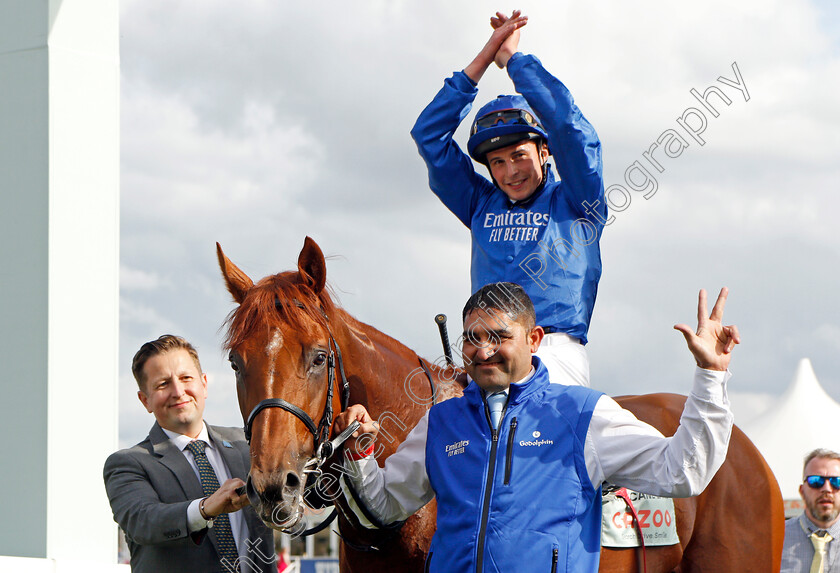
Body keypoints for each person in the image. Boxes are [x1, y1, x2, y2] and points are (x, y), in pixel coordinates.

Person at [334, 282, 738, 573]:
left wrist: (710, 375)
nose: (483, 350)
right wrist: (359, 454)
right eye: (472, 338)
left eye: (499, 336)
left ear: (534, 339)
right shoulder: (440, 421)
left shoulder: (582, 413)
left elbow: (682, 470)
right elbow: (382, 508)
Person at [411, 12, 606, 387]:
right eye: (497, 163)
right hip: (485, 352)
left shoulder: (580, 201)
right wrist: (483, 59)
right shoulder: (479, 203)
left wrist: (514, 62)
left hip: (553, 352)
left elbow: (568, 126)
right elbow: (428, 137)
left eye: (519, 155)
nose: (509, 171)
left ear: (544, 150)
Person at [103, 335, 276, 573]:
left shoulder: (249, 444)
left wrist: (344, 435)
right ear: (145, 400)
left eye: (186, 378)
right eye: (163, 384)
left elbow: (310, 487)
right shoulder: (128, 464)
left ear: (204, 384)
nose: (178, 391)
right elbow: (143, 522)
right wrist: (206, 508)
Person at [781, 449, 840, 572]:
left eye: (836, 481)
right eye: (816, 481)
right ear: (802, 491)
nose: (827, 489)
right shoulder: (776, 538)